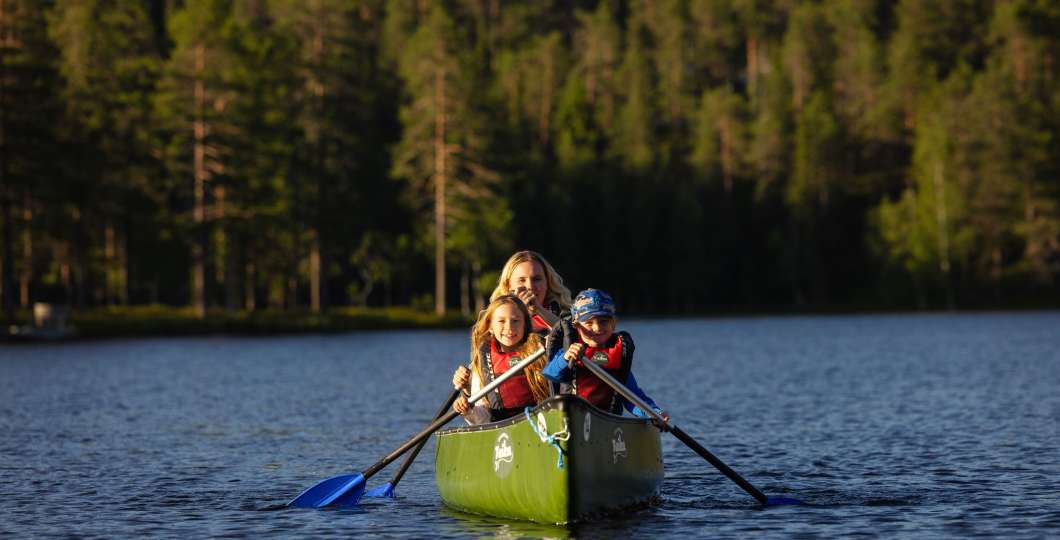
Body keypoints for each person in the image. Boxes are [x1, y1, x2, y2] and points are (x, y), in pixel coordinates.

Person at [542, 288, 669, 426]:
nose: (597, 328)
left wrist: (654, 413)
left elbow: (632, 397)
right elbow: (550, 374)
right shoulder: (570, 350)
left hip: (606, 422)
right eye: (589, 323)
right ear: (577, 326)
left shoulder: (618, 355)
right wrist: (565, 359)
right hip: (571, 421)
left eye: (603, 321)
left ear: (613, 323)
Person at [452, 295, 551, 425]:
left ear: (525, 325)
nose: (509, 327)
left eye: (515, 321)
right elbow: (483, 418)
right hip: (500, 426)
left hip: (536, 422)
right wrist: (468, 410)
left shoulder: (540, 350)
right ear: (490, 326)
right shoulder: (482, 362)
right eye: (501, 321)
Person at [489, 251, 572, 332]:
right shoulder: (493, 320)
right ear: (509, 285)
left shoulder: (567, 314)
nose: (530, 287)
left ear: (547, 282)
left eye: (537, 279)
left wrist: (539, 310)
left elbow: (570, 334)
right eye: (522, 280)